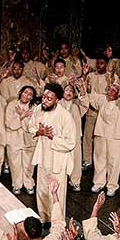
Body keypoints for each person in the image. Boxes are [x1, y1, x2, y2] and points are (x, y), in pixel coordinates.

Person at [23, 82, 77, 222]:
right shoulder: (39, 109)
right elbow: (31, 126)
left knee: (56, 194)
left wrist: (53, 138)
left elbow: (71, 143)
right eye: (44, 97)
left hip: (58, 161)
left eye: (49, 99)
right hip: (43, 158)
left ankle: (57, 223)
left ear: (57, 100)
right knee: (42, 192)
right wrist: (39, 132)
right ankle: (44, 220)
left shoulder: (65, 116)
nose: (44, 101)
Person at [88, 83, 120, 196]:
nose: (110, 92)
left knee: (114, 161)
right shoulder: (103, 99)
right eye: (109, 89)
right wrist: (87, 86)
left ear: (118, 93)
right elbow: (92, 98)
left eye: (114, 90)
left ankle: (112, 185)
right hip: (101, 134)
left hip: (116, 136)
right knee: (99, 159)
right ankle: (99, 182)